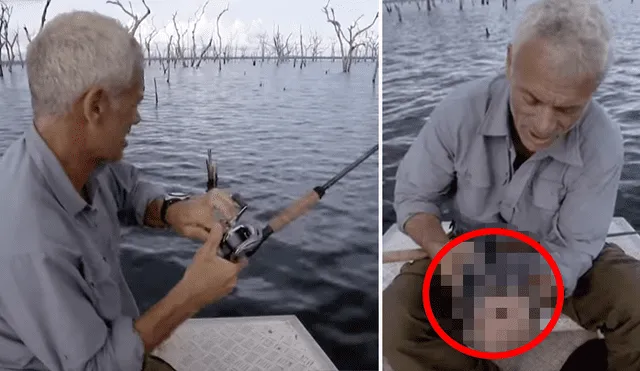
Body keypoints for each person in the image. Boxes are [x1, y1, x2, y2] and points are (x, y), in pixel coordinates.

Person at [383, 0, 640, 370]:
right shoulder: (458, 112)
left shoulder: (604, 142)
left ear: (593, 91)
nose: (544, 125)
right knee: (395, 321)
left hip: (556, 262)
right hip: (466, 251)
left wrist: (527, 292)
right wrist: (444, 252)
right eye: (531, 98)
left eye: (567, 109)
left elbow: (576, 245)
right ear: (509, 62)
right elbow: (413, 196)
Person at [0, 11, 247, 371]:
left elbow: (125, 186)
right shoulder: (29, 238)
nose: (137, 118)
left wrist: (173, 211)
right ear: (95, 106)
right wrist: (191, 295)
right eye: (136, 101)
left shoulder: (76, 161)